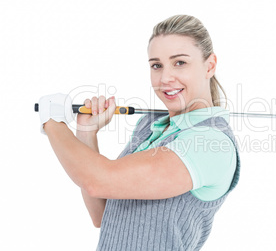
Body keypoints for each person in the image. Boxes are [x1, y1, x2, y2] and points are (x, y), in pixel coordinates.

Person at [38, 15, 241, 251]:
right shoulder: (150, 125)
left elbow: (97, 180)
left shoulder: (210, 143)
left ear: (210, 65)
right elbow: (102, 214)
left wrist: (53, 122)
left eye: (180, 63)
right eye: (157, 65)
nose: (165, 78)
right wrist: (86, 131)